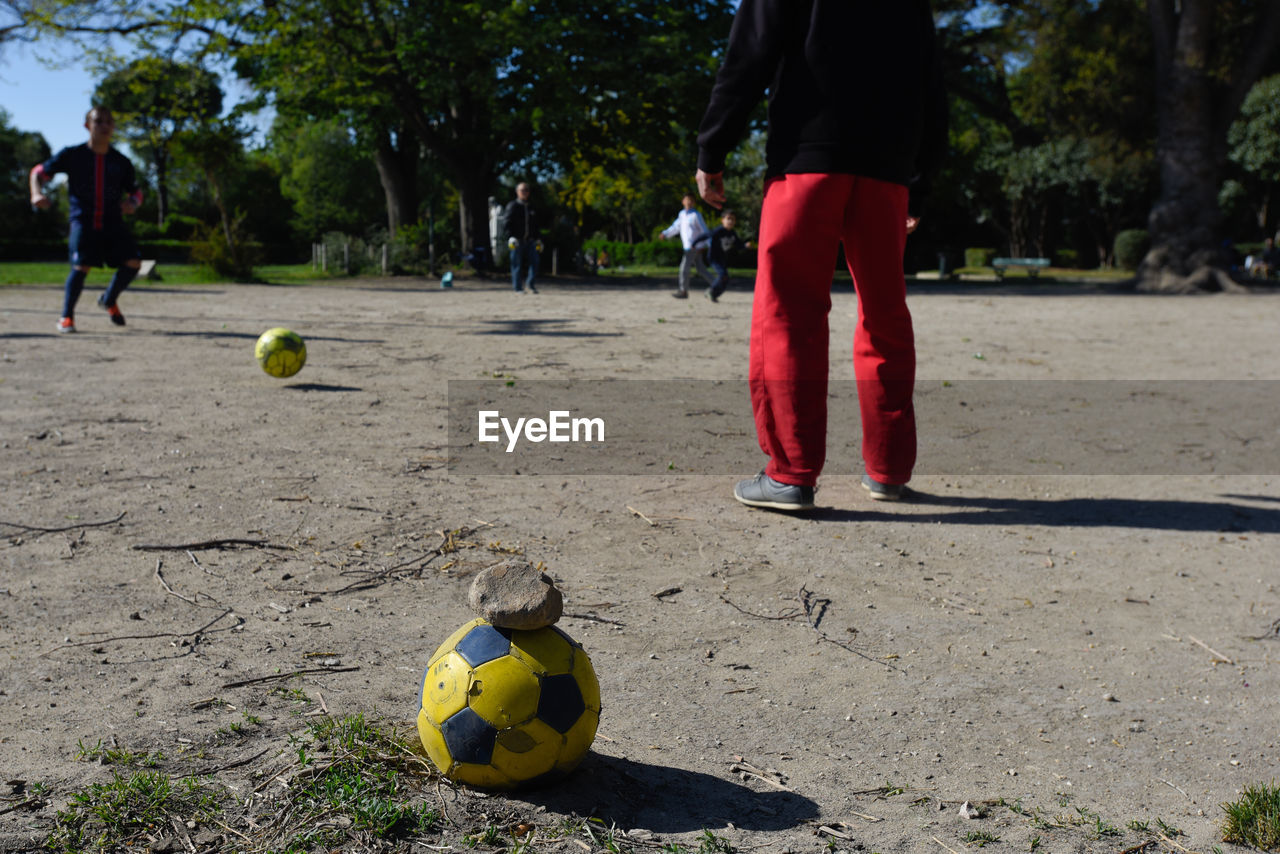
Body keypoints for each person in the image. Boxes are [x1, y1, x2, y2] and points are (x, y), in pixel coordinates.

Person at [694, 0, 948, 511]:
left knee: (789, 314)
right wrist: (918, 185)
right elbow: (931, 84)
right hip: (886, 174)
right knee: (886, 318)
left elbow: (748, 55)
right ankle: (889, 471)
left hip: (806, 164)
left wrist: (712, 149)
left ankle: (791, 474)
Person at [29, 106, 143, 333]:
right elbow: (38, 172)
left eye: (108, 122)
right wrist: (36, 193)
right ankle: (66, 317)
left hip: (112, 222)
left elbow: (136, 191)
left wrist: (133, 203)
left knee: (134, 262)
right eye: (98, 121)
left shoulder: (121, 161)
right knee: (82, 265)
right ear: (87, 126)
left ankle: (109, 300)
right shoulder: (72, 155)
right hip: (83, 221)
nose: (104, 126)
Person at [659, 193, 714, 298]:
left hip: (695, 247)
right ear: (683, 201)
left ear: (694, 203)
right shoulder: (682, 214)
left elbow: (704, 230)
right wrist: (665, 233)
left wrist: (710, 244)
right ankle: (716, 285)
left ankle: (683, 291)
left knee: (684, 268)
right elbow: (676, 227)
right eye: (687, 200)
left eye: (691, 200)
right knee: (701, 269)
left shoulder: (696, 215)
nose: (689, 202)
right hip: (688, 246)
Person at [697, 209, 752, 302]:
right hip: (713, 258)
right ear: (722, 220)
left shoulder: (732, 233)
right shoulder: (718, 231)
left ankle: (714, 294)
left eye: (733, 219)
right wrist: (694, 243)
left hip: (722, 258)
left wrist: (745, 246)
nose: (730, 221)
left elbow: (738, 245)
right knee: (722, 275)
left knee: (725, 279)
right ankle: (710, 290)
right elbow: (706, 235)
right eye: (728, 218)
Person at [504, 182, 541, 293]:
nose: (524, 192)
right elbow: (507, 223)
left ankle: (530, 284)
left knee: (535, 262)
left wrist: (538, 238)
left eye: (526, 190)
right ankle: (518, 287)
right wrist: (510, 236)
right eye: (522, 190)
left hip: (530, 240)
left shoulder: (531, 207)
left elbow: (536, 225)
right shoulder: (513, 206)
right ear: (517, 192)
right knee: (516, 264)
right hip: (516, 241)